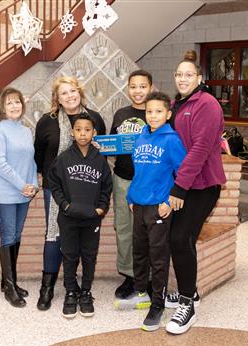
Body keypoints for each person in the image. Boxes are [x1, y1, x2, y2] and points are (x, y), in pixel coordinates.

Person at [165, 50, 226, 335]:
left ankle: (187, 304)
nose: (183, 78)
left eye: (189, 74)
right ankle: (191, 293)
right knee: (178, 239)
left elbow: (201, 149)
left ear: (199, 78)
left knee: (181, 237)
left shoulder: (207, 104)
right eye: (179, 74)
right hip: (184, 184)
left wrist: (179, 187)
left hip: (202, 186)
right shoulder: (178, 104)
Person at [33, 76, 106, 311]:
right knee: (53, 235)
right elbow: (38, 154)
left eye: (72, 91)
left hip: (86, 188)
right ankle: (48, 287)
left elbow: (102, 152)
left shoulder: (94, 119)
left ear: (80, 92)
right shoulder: (47, 121)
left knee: (82, 240)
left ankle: (80, 288)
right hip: (56, 191)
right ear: (57, 98)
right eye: (63, 93)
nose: (69, 96)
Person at [123, 92, 186, 331]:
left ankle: (158, 304)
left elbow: (182, 174)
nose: (153, 116)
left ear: (168, 114)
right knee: (139, 252)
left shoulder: (172, 140)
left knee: (158, 257)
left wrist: (169, 201)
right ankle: (142, 292)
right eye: (149, 111)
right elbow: (139, 173)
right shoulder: (141, 137)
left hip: (159, 208)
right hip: (138, 205)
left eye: (158, 111)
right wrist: (130, 196)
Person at [47, 112, 112, 319]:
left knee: (89, 255)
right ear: (72, 132)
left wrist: (101, 208)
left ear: (94, 133)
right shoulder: (63, 158)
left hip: (92, 218)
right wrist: (64, 205)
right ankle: (71, 291)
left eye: (87, 130)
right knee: (69, 254)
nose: (83, 134)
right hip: (68, 217)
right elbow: (53, 184)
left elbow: (106, 188)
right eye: (78, 130)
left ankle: (85, 291)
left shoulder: (100, 160)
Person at [0, 87, 38, 308]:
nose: (15, 106)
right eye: (9, 103)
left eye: (17, 102)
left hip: (24, 192)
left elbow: (31, 161)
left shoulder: (26, 131)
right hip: (4, 192)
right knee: (8, 235)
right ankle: (10, 287)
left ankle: (8, 282)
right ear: (2, 107)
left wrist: (33, 185)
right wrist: (21, 185)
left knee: (16, 235)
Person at [110, 70, 152, 301]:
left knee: (147, 230)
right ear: (128, 89)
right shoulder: (121, 114)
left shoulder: (156, 113)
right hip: (123, 179)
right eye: (133, 86)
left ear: (151, 88)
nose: (138, 91)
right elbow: (111, 145)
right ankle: (129, 275)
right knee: (124, 228)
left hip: (149, 182)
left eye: (142, 86)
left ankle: (148, 276)